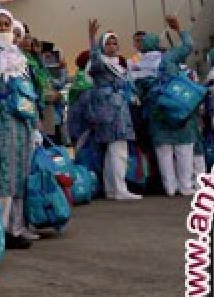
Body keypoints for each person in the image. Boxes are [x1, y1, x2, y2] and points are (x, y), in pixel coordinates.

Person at [0, 10, 40, 249]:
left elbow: (28, 89)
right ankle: (0, 229)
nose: (4, 28)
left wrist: (34, 123)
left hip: (22, 119)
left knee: (20, 171)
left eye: (7, 24)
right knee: (3, 171)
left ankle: (17, 227)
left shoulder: (19, 56)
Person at [143, 16, 199, 197]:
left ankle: (170, 187)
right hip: (176, 107)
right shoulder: (167, 58)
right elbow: (188, 47)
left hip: (156, 112)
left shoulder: (136, 65)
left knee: (164, 151)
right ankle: (185, 186)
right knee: (184, 149)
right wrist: (179, 29)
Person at [85, 20, 140, 201]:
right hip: (109, 111)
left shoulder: (119, 65)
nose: (112, 46)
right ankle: (120, 188)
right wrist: (91, 39)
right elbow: (94, 59)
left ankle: (112, 188)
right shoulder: (100, 63)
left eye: (114, 42)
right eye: (107, 43)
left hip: (118, 108)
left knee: (113, 151)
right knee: (119, 149)